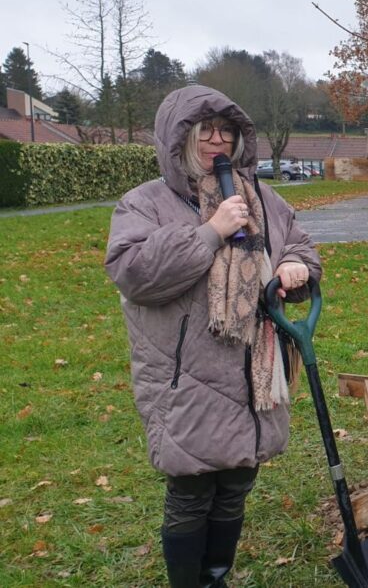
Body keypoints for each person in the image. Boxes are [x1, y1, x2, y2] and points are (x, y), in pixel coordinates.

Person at [105, 85, 321, 586]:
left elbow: (302, 246)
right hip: (186, 373)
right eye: (206, 131)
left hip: (253, 370)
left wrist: (293, 264)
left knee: (238, 481)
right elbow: (134, 273)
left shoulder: (261, 198)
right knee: (191, 489)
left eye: (226, 131)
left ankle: (216, 576)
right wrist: (211, 231)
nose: (217, 141)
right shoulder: (146, 203)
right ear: (181, 139)